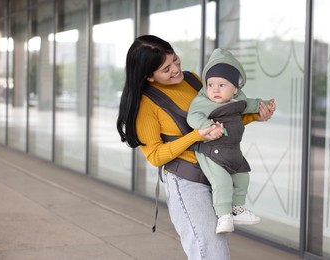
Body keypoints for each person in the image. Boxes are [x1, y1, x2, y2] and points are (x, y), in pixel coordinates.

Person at [116, 35, 275, 260]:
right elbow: (155, 155)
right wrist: (195, 136)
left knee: (214, 249)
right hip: (187, 182)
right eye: (166, 69)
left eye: (175, 60)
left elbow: (223, 118)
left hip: (217, 172)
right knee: (212, 252)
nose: (175, 69)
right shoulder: (146, 105)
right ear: (149, 77)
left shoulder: (193, 80)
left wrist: (257, 115)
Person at [186, 48, 275, 234]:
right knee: (222, 182)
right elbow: (192, 117)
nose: (215, 90)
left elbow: (252, 104)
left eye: (222, 85)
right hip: (211, 151)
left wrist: (265, 105)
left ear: (235, 88)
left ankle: (238, 209)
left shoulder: (237, 101)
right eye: (210, 85)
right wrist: (206, 125)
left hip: (233, 151)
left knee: (243, 176)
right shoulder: (203, 102)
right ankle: (223, 215)